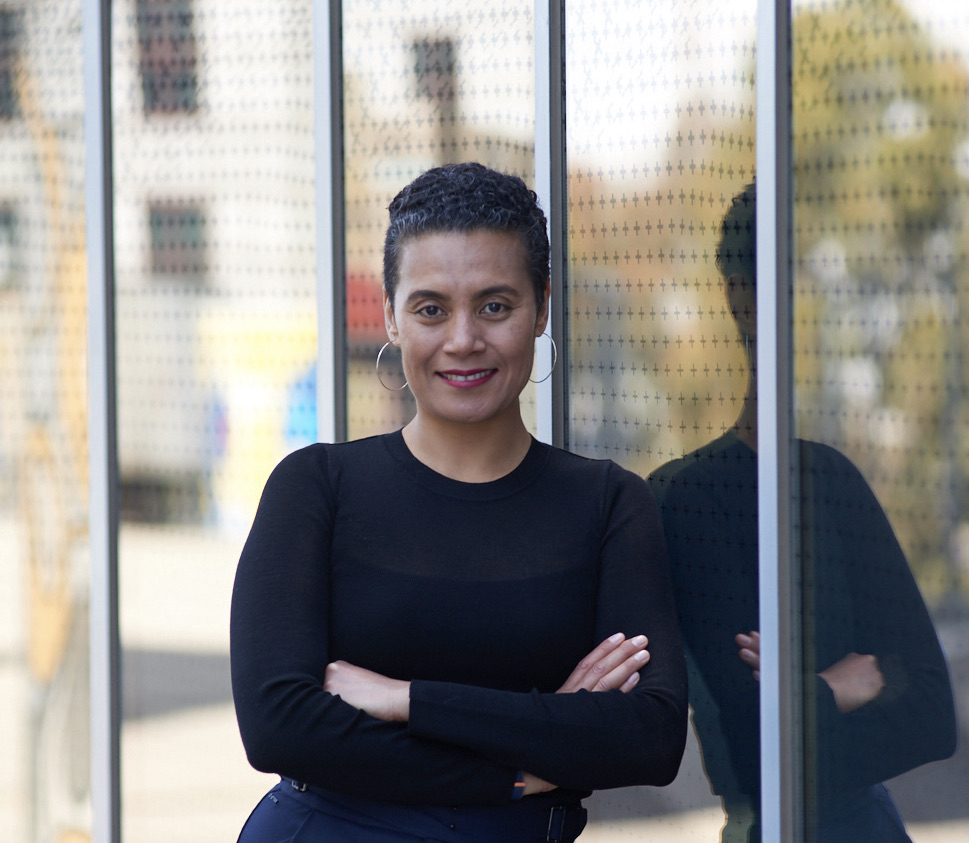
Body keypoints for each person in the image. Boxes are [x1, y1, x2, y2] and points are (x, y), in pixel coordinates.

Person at [230, 162, 688, 842]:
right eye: (431, 309)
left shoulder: (608, 504)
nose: (463, 339)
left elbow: (649, 736)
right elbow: (279, 727)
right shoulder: (315, 486)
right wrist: (522, 763)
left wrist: (403, 699)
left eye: (495, 306)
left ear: (541, 307)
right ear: (391, 316)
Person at [647, 182, 957, 842]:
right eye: (789, 281)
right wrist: (836, 686)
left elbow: (932, 715)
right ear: (740, 298)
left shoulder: (830, 480)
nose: (809, 309)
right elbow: (751, 747)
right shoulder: (687, 498)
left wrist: (793, 695)